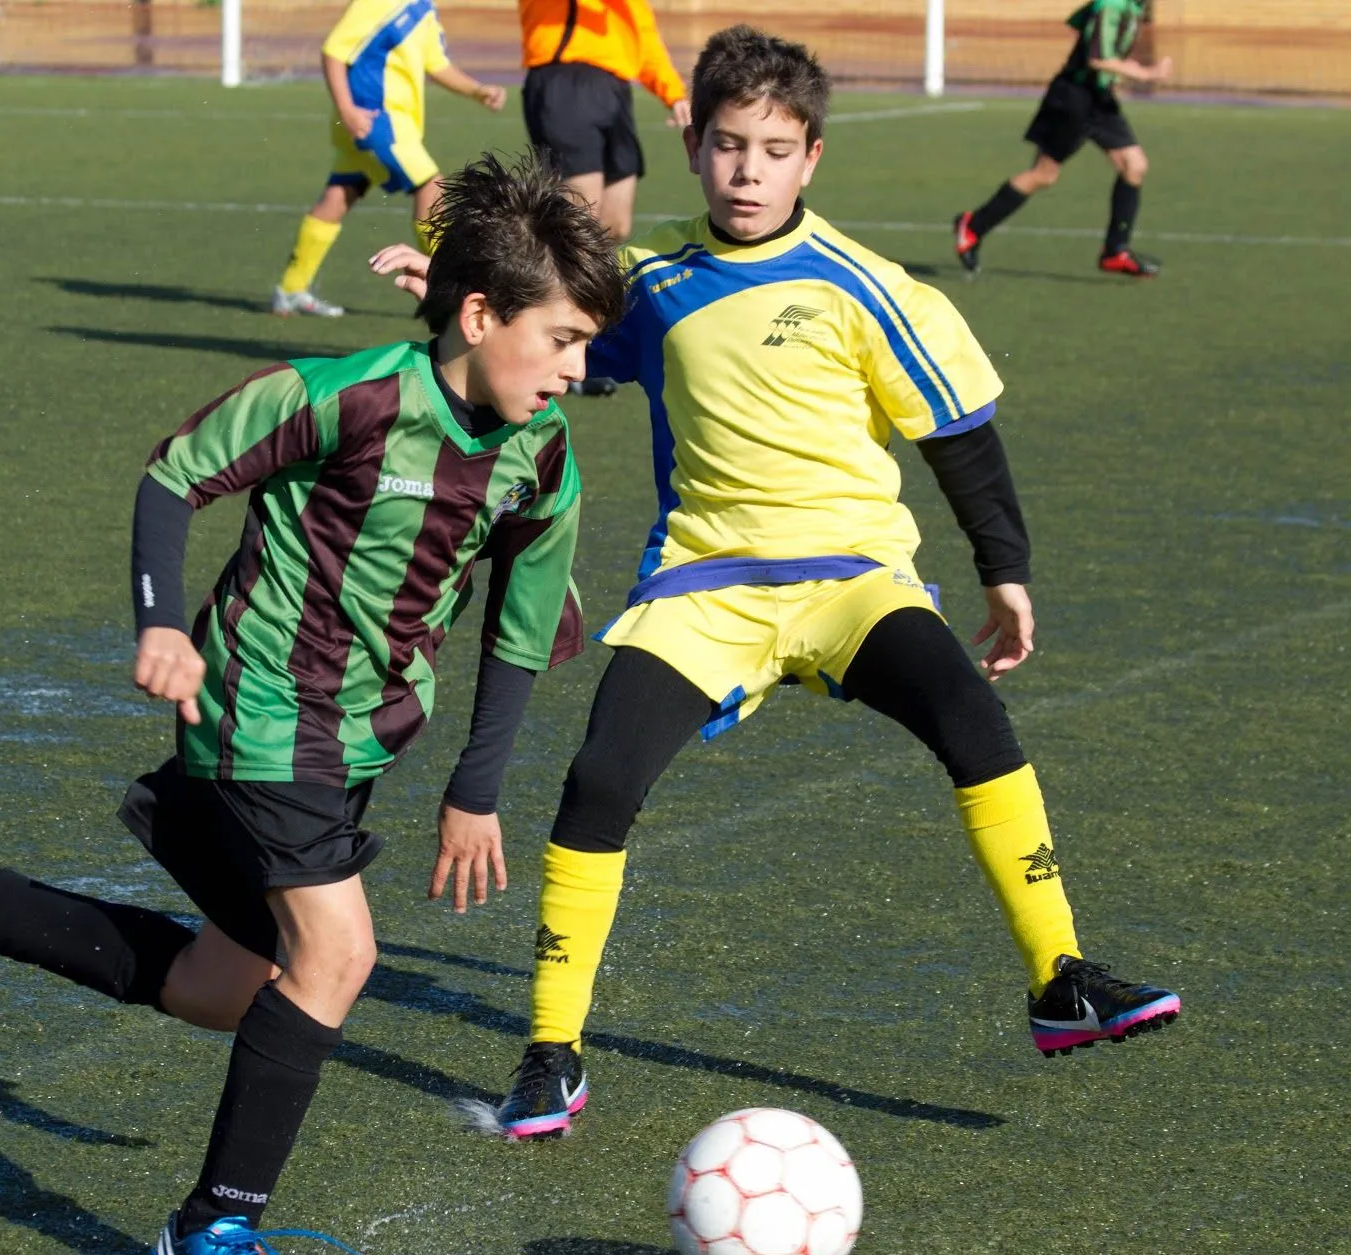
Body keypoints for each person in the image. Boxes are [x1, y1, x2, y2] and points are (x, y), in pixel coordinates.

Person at [374, 26, 1181, 1142]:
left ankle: (1062, 981)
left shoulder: (865, 285)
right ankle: (551, 1055)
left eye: (773, 148)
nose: (747, 170)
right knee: (599, 780)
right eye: (726, 145)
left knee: (971, 716)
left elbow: (959, 437)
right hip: (702, 588)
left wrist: (1006, 577)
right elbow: (552, 333)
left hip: (852, 576)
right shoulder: (647, 274)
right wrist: (455, 290)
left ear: (812, 159)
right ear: (693, 145)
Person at [0, 153, 626, 1255]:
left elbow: (519, 631)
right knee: (340, 957)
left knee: (232, 983)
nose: (574, 369)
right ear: (478, 314)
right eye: (559, 338)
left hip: (357, 739)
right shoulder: (349, 398)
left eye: (584, 345)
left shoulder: (540, 457)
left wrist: (476, 787)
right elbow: (176, 475)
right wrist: (163, 625)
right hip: (259, 709)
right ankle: (210, 1231)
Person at [271, 0, 506, 318]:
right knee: (430, 186)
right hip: (377, 123)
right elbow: (333, 51)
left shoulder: (423, 8)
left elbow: (437, 64)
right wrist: (347, 110)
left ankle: (290, 289)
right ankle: (453, 290)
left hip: (379, 125)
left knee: (339, 194)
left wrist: (477, 90)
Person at [518, 0, 691, 394]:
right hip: (565, 76)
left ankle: (567, 332)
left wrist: (672, 91)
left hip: (614, 87)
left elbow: (641, 34)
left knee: (613, 223)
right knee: (580, 220)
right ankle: (556, 348)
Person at [954, 0, 1171, 279]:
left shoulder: (1134, 7)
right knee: (1044, 174)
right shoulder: (1111, 6)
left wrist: (1120, 68)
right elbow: (1097, 57)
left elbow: (1080, 25)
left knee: (1135, 165)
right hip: (1073, 98)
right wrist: (1146, 74)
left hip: (1099, 99)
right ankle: (973, 226)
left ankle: (1115, 251)